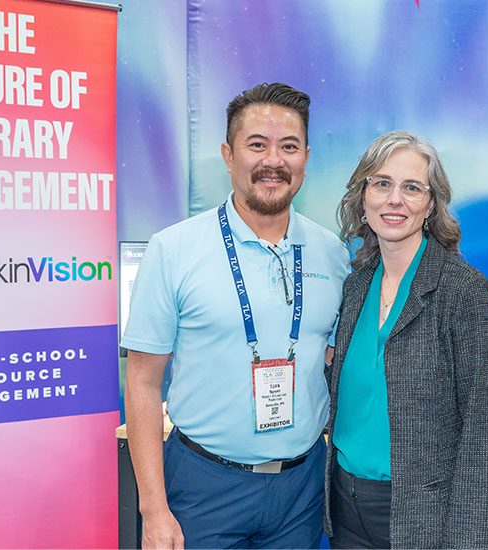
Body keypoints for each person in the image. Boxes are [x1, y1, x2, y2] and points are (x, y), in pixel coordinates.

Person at [122, 82, 349, 549]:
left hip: (301, 489)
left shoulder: (332, 253)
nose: (273, 161)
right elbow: (142, 382)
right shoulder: (174, 249)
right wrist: (154, 509)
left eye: (289, 147)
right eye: (257, 145)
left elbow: (331, 358)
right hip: (204, 486)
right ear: (228, 155)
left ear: (306, 158)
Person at [325, 131, 488, 549]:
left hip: (421, 515)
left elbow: (486, 436)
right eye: (382, 183)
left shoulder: (464, 292)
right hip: (345, 508)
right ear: (363, 197)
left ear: (430, 205)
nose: (395, 200)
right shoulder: (356, 286)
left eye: (412, 188)